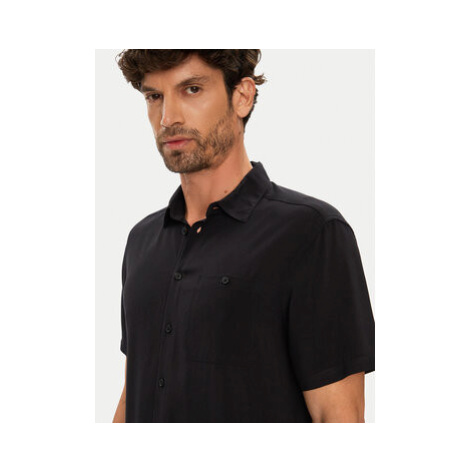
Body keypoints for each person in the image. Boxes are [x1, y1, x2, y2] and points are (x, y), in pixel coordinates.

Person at [112, 49, 375, 423]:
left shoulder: (311, 234)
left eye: (191, 89)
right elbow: (133, 393)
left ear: (242, 96)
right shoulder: (142, 242)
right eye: (154, 96)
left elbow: (338, 417)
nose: (168, 118)